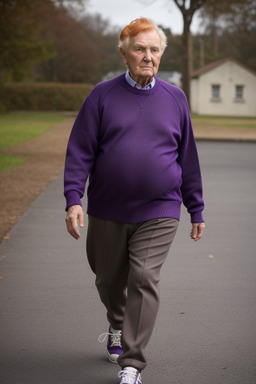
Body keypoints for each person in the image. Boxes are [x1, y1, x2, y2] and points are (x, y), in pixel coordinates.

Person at [64, 17, 205, 384]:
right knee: (108, 280)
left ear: (160, 55)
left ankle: (132, 364)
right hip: (108, 209)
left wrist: (196, 207)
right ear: (124, 54)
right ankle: (116, 322)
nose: (148, 56)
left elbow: (187, 156)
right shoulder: (102, 95)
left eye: (154, 49)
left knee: (143, 277)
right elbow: (80, 151)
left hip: (160, 208)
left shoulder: (175, 97)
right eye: (140, 49)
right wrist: (73, 198)